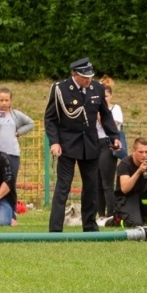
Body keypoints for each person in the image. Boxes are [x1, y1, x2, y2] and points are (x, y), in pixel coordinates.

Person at [44, 57, 121, 232]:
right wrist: (54, 142)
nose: (88, 80)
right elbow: (50, 119)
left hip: (90, 145)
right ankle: (55, 229)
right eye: (85, 77)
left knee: (91, 187)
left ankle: (90, 226)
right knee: (63, 187)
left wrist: (114, 136)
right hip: (67, 145)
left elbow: (105, 115)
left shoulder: (97, 88)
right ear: (74, 75)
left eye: (90, 76)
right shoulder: (60, 89)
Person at [0, 87, 34, 183]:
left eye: (6, 100)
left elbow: (30, 123)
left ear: (10, 101)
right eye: (1, 100)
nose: (4, 103)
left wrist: (19, 132)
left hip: (12, 154)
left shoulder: (16, 115)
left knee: (10, 183)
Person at [95, 77, 124, 219]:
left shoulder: (115, 109)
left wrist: (99, 115)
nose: (104, 99)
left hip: (108, 145)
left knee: (107, 182)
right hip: (96, 143)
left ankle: (111, 214)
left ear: (111, 96)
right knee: (97, 182)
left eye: (106, 96)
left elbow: (111, 124)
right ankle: (100, 214)